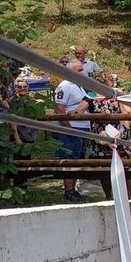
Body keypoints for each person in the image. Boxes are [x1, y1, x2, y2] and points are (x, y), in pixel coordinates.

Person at [54, 58, 91, 202]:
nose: (83, 72)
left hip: (80, 129)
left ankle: (73, 190)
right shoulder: (65, 86)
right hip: (70, 130)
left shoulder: (79, 86)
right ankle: (68, 190)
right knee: (70, 160)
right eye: (79, 70)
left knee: (77, 160)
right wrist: (68, 129)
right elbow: (59, 109)